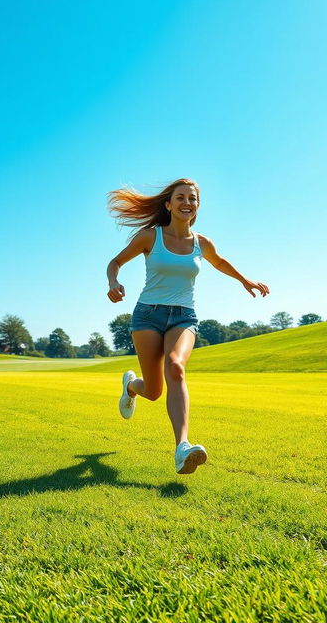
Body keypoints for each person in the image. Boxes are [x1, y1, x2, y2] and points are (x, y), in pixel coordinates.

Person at [105, 178, 270, 474]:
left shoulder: (201, 243)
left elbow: (219, 262)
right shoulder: (149, 237)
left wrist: (246, 280)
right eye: (180, 197)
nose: (187, 203)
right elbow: (115, 262)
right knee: (153, 391)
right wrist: (114, 282)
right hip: (147, 315)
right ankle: (131, 386)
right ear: (168, 204)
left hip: (184, 317)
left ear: (197, 206)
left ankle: (182, 447)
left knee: (176, 367)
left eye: (192, 199)